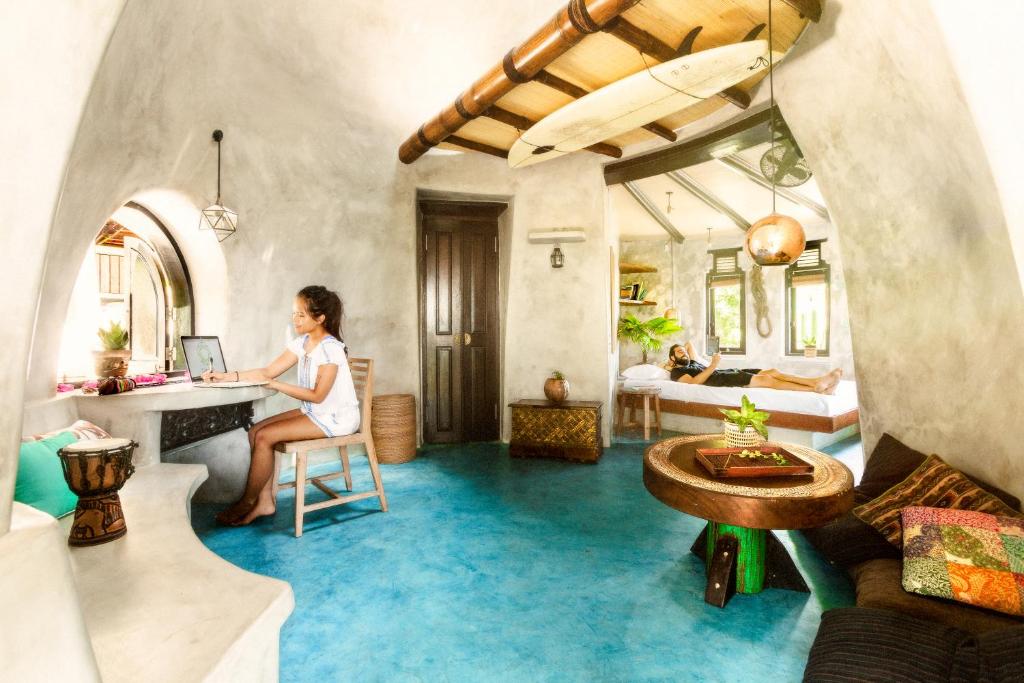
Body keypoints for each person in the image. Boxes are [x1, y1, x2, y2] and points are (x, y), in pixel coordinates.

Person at [203, 285, 359, 526]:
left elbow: (317, 396)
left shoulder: (331, 349)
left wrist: (275, 385)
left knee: (265, 437)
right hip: (315, 412)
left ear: (320, 319)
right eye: (294, 313)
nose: (294, 319)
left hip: (336, 418)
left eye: (301, 315)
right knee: (255, 432)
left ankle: (247, 501)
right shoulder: (303, 342)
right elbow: (267, 371)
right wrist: (225, 376)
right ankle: (264, 502)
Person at [666, 341, 842, 394]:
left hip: (725, 372)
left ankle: (816, 382)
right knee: (768, 380)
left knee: (773, 371)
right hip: (720, 379)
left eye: (685, 352)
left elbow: (689, 344)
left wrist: (681, 353)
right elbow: (693, 383)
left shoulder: (692, 362)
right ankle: (814, 388)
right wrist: (713, 365)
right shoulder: (678, 371)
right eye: (680, 353)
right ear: (673, 358)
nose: (685, 353)